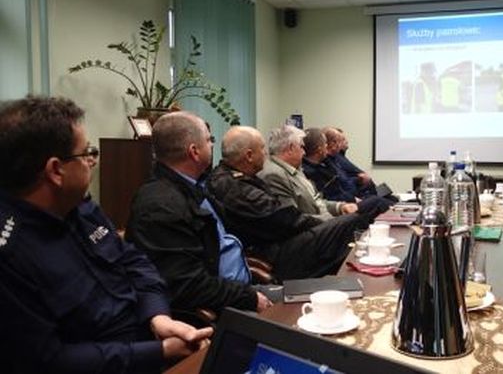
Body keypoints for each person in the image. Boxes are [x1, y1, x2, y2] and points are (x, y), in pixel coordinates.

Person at [0, 97, 212, 374]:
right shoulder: (11, 256)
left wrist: (158, 317)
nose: (92, 161)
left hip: (151, 337)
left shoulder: (80, 208)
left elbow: (136, 263)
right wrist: (159, 351)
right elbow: (50, 361)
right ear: (56, 171)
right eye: (86, 152)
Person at [126, 112, 272, 324]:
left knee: (303, 297)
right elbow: (188, 285)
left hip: (238, 289)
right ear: (194, 151)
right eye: (209, 140)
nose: (212, 145)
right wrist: (249, 297)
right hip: (222, 305)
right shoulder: (160, 206)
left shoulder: (194, 186)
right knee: (298, 331)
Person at [208, 126, 389, 280]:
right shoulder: (233, 185)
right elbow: (284, 219)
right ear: (249, 155)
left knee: (351, 221)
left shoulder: (234, 178)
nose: (266, 154)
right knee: (353, 221)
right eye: (262, 149)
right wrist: (328, 223)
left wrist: (334, 217)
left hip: (282, 239)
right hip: (277, 251)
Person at [258, 125, 357, 221]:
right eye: (301, 147)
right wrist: (333, 221)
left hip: (321, 222)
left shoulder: (295, 169)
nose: (304, 152)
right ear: (291, 148)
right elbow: (294, 219)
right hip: (312, 228)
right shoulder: (274, 175)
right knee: (358, 217)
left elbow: (316, 201)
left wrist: (340, 207)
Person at [302, 128, 357, 202]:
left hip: (344, 200)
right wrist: (352, 199)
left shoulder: (323, 164)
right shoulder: (311, 172)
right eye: (325, 143)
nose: (327, 146)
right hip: (339, 205)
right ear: (319, 149)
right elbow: (329, 197)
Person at [323, 127, 376, 198]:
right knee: (378, 200)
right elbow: (344, 186)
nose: (345, 142)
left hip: (350, 196)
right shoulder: (330, 161)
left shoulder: (335, 160)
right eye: (341, 140)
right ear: (333, 143)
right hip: (347, 199)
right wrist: (358, 180)